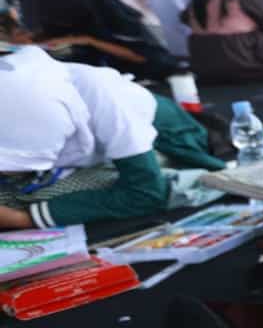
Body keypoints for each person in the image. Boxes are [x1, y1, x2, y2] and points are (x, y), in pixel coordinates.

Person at [0, 46, 223, 230]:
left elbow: (144, 193)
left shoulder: (105, 99)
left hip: (164, 142)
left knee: (37, 196)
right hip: (89, 156)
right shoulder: (16, 92)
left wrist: (24, 219)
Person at [37, 0, 180, 80]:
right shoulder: (78, 15)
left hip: (148, 75)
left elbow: (144, 57)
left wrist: (90, 41)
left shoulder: (113, 14)